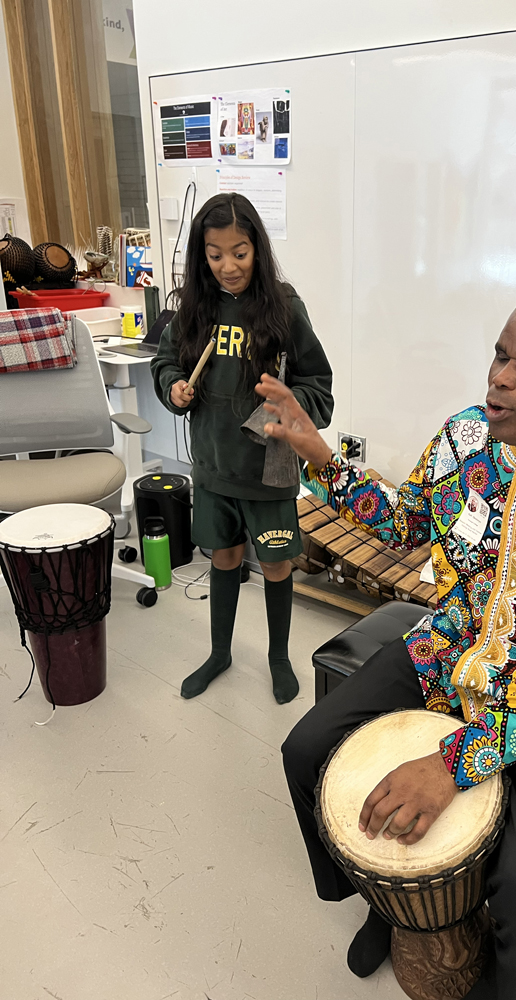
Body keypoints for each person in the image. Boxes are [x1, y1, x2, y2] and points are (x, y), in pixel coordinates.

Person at [257, 287, 516, 999]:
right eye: (500, 354)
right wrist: (322, 460)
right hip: (453, 648)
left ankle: (514, 983)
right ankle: (390, 905)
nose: (501, 377)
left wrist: (456, 762)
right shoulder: (466, 437)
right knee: (306, 752)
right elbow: (407, 525)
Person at [151, 193, 333, 704]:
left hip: (267, 470)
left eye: (240, 252)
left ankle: (278, 657)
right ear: (200, 255)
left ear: (258, 248)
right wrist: (174, 389)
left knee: (275, 564)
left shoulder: (283, 307)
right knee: (225, 558)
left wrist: (291, 406)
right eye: (215, 255)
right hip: (212, 467)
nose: (228, 266)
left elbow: (319, 382)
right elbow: (165, 364)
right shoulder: (195, 307)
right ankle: (219, 653)